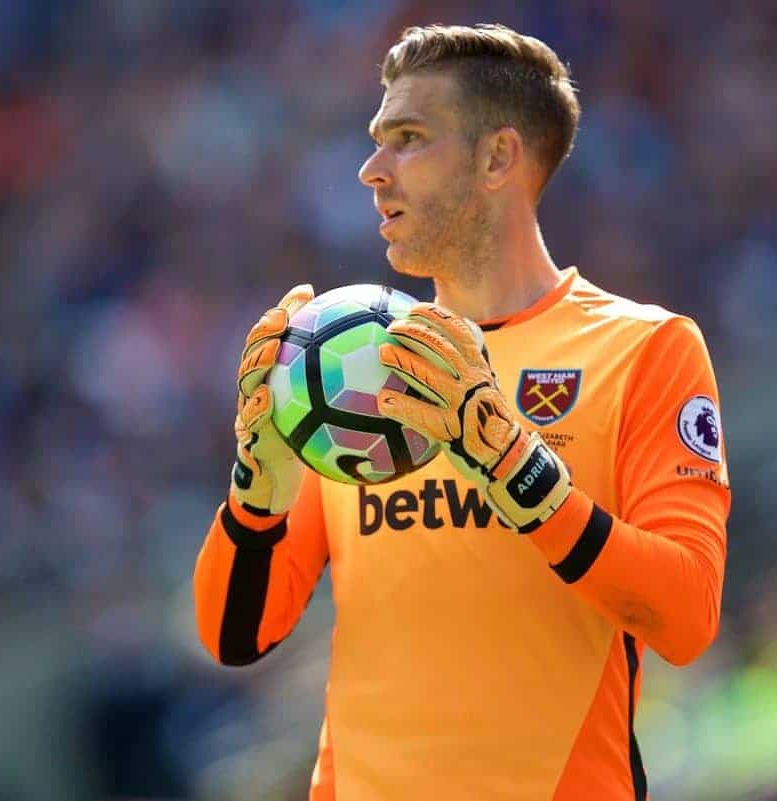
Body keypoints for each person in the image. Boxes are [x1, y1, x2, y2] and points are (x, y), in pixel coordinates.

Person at [194, 23, 730, 801]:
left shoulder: (646, 348)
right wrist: (258, 480)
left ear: (497, 158)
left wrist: (520, 470)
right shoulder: (352, 363)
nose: (372, 169)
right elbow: (234, 635)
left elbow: (686, 617)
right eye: (377, 140)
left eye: (408, 138)